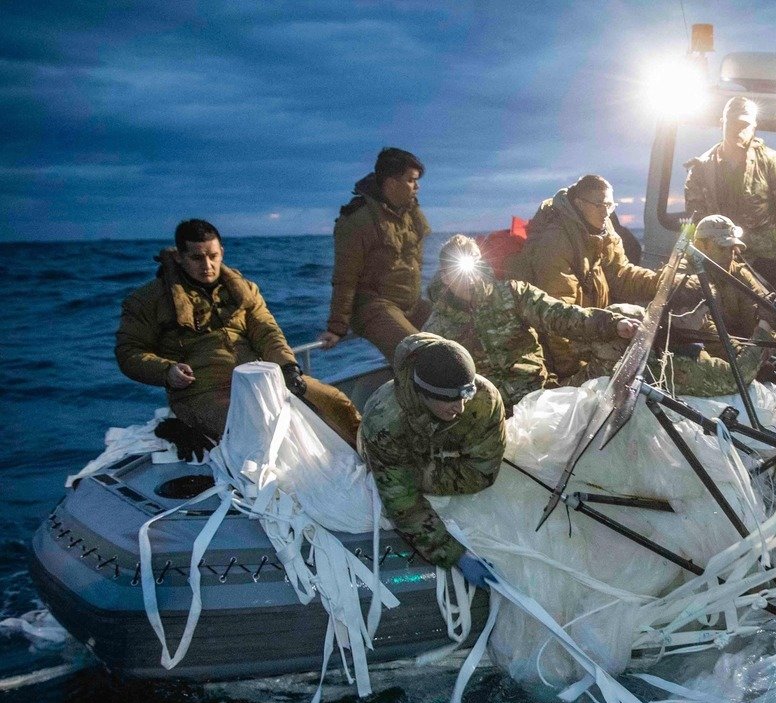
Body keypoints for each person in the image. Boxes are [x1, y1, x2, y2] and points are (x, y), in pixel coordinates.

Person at [115, 219, 362, 447]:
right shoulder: (148, 300)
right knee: (255, 428)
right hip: (201, 391)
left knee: (335, 401)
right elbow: (129, 352)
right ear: (179, 258)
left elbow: (267, 331)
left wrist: (287, 368)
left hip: (260, 378)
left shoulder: (244, 290)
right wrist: (167, 371)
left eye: (213, 256)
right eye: (197, 258)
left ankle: (373, 461)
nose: (207, 265)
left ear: (222, 251)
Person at [426, 236, 640, 413]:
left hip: (540, 396)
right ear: (445, 277)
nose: (470, 279)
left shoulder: (513, 293)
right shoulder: (437, 328)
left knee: (619, 332)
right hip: (490, 415)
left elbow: (560, 315)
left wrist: (613, 324)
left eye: (473, 267)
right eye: (458, 271)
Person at [358, 333, 506, 583]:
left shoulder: (483, 399)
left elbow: (483, 471)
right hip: (391, 454)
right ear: (424, 394)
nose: (460, 408)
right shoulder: (384, 421)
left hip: (428, 457)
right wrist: (454, 555)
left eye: (464, 396)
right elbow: (402, 502)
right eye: (449, 400)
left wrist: (426, 470)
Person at [506, 174, 674, 379]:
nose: (606, 212)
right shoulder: (555, 243)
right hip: (562, 346)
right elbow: (558, 319)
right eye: (599, 205)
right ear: (579, 204)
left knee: (638, 319)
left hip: (590, 328)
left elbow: (621, 274)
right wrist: (572, 374)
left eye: (610, 205)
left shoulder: (602, 231)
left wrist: (665, 283)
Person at [683, 96, 776, 315]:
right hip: (719, 260)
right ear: (722, 122)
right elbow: (695, 221)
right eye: (733, 123)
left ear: (754, 126)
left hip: (763, 258)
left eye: (745, 124)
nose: (738, 130)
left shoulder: (772, 164)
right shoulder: (701, 169)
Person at [319, 147, 432, 359]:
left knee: (460, 334)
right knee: (421, 354)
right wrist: (337, 328)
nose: (417, 187)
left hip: (411, 304)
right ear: (391, 183)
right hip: (374, 306)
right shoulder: (358, 219)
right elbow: (345, 276)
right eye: (411, 180)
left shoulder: (410, 213)